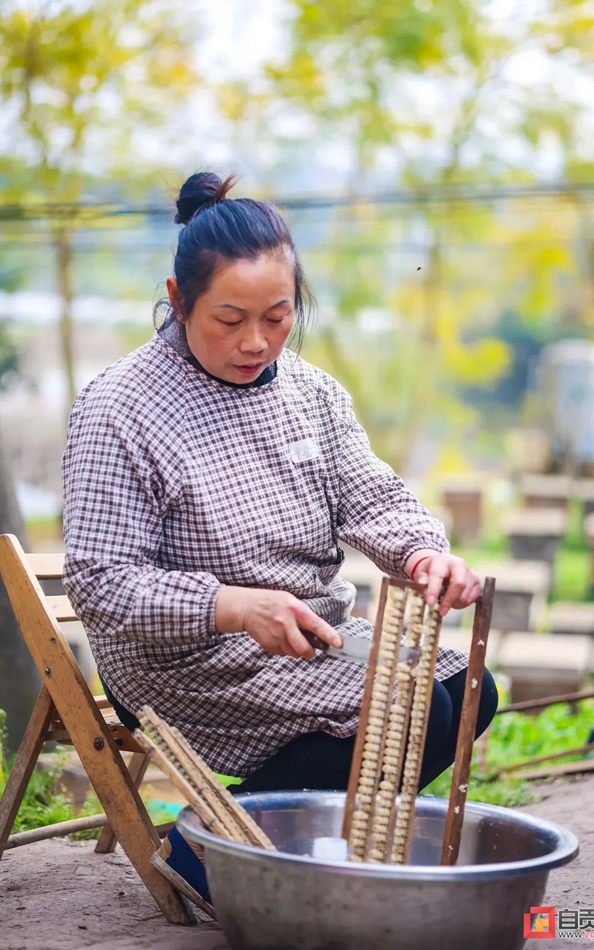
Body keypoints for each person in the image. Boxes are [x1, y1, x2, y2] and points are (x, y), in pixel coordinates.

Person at [61, 171, 498, 906]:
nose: (256, 342)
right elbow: (103, 584)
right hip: (182, 658)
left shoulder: (312, 393)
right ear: (177, 299)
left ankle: (271, 844)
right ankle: (218, 855)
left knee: (467, 690)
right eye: (229, 320)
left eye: (278, 316)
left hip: (305, 636)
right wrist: (232, 606)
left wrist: (424, 553)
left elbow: (374, 497)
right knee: (415, 708)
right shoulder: (120, 408)